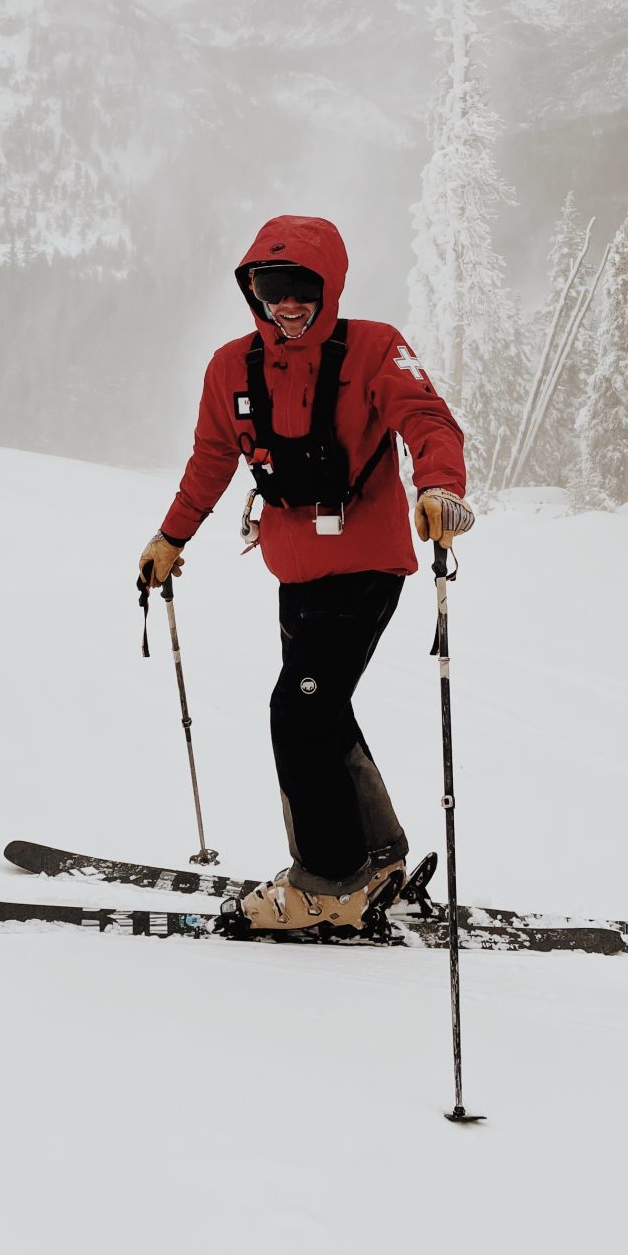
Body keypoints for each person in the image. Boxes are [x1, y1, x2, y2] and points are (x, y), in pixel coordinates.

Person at [136, 214, 474, 932]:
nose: (286, 306)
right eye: (270, 288)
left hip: (369, 564)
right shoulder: (232, 368)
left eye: (303, 289)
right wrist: (171, 536)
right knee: (322, 711)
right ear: (251, 289)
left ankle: (328, 881)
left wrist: (439, 487)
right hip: (296, 572)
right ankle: (376, 853)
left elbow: (427, 421)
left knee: (299, 715)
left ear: (331, 287)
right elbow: (210, 461)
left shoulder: (375, 349)